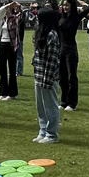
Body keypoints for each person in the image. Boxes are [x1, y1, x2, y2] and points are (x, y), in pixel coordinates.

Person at [32, 7, 62, 144]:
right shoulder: (41, 33)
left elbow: (52, 59)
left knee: (50, 106)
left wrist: (47, 79)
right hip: (38, 75)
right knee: (41, 107)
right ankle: (42, 131)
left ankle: (51, 134)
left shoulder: (52, 35)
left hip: (48, 77)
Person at [58, 0, 89, 111]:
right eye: (63, 5)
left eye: (67, 5)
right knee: (62, 77)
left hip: (71, 50)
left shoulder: (76, 17)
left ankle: (72, 103)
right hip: (61, 50)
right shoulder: (61, 17)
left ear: (72, 6)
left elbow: (87, 9)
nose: (65, 7)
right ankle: (63, 101)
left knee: (72, 77)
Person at [0, 0, 22, 101]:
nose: (6, 10)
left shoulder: (14, 18)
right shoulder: (1, 20)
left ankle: (12, 93)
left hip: (11, 45)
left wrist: (18, 7)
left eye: (7, 9)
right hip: (2, 44)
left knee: (12, 70)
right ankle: (3, 92)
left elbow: (21, 14)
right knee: (2, 69)